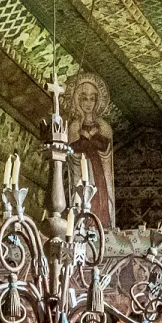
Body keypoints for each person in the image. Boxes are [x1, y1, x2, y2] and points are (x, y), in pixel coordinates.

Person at [63, 72, 116, 228]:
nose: (88, 103)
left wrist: (91, 137)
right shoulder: (74, 126)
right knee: (82, 195)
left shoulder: (103, 126)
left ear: (97, 101)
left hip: (98, 169)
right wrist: (84, 139)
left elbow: (106, 148)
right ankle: (82, 225)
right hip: (82, 167)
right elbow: (73, 150)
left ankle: (101, 225)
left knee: (100, 195)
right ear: (78, 101)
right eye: (84, 98)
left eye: (92, 99)